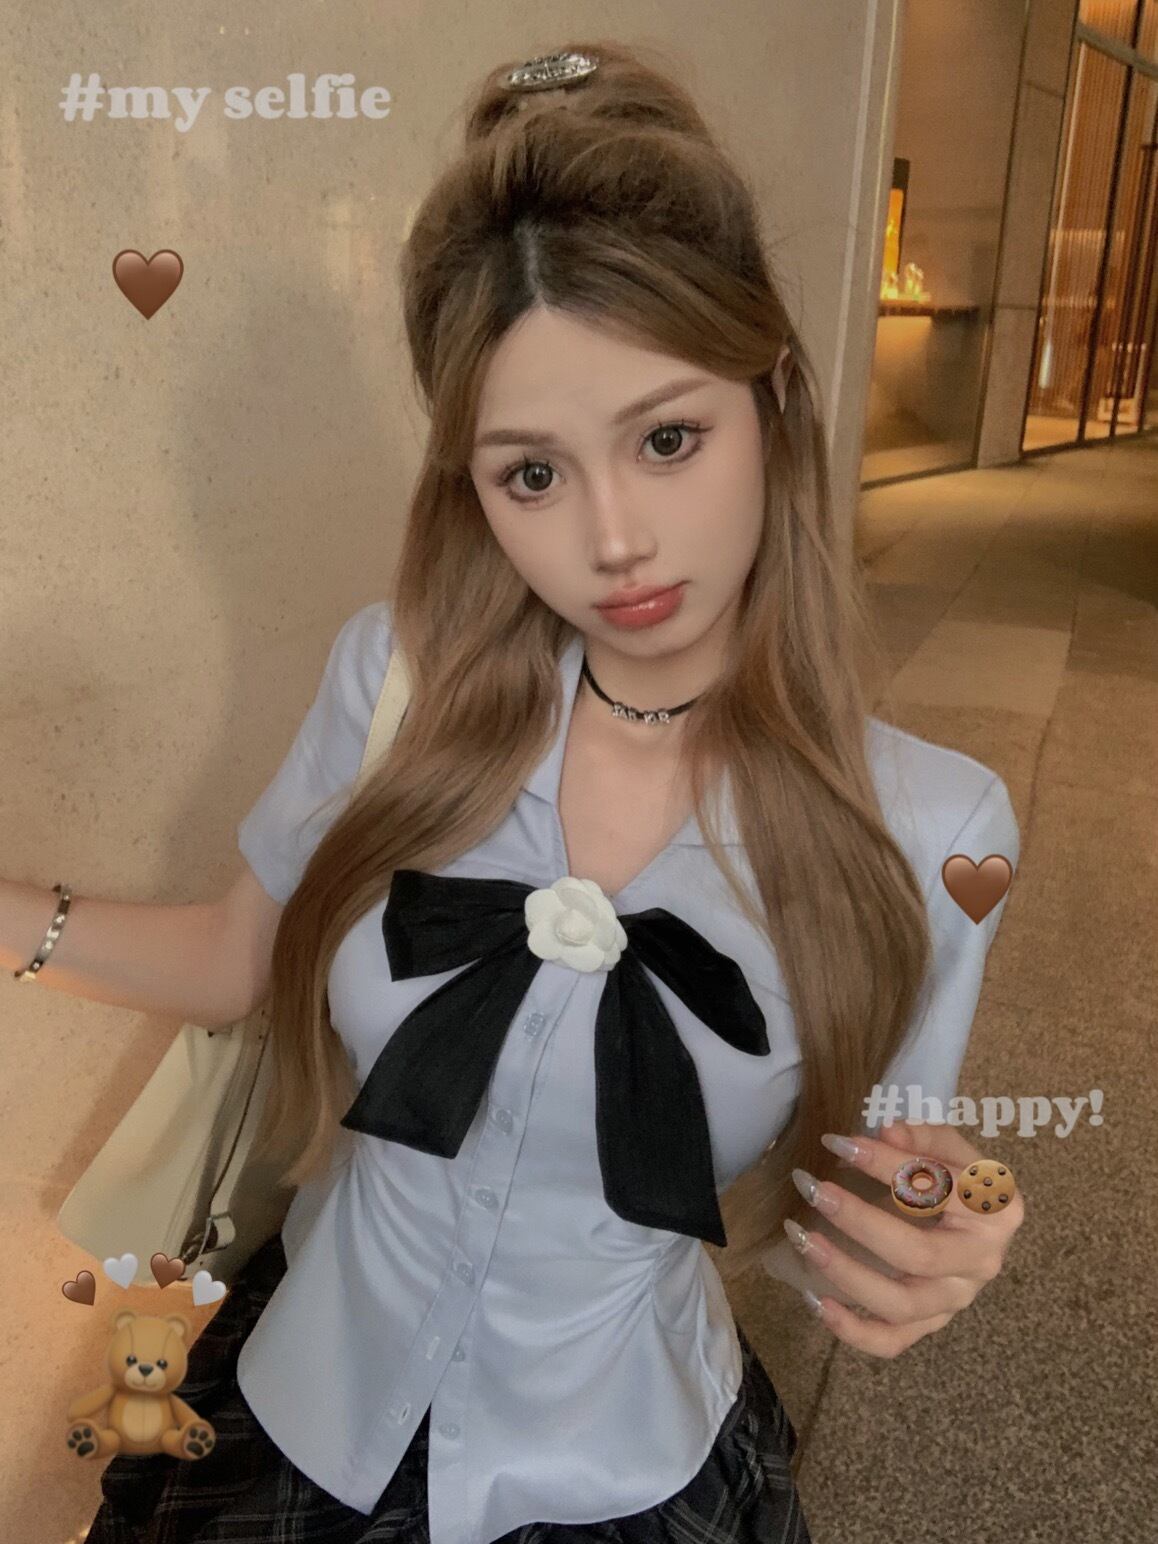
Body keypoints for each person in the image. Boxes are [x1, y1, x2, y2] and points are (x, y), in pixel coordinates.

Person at [69, 38, 1022, 1544]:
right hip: (304, 1412)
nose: (614, 539)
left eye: (666, 438)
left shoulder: (931, 831)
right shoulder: (393, 682)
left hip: (625, 1463)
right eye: (531, 473)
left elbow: (888, 1178)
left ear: (774, 396)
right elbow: (240, 953)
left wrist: (947, 1221)